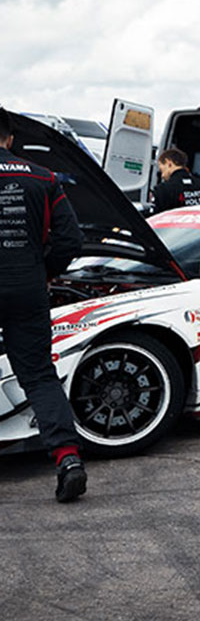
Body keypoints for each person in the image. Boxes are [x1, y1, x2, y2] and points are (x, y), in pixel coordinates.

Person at [0, 110, 88, 502]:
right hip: (27, 287)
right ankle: (68, 459)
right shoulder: (44, 177)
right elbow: (71, 240)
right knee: (38, 376)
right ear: (10, 139)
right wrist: (44, 271)